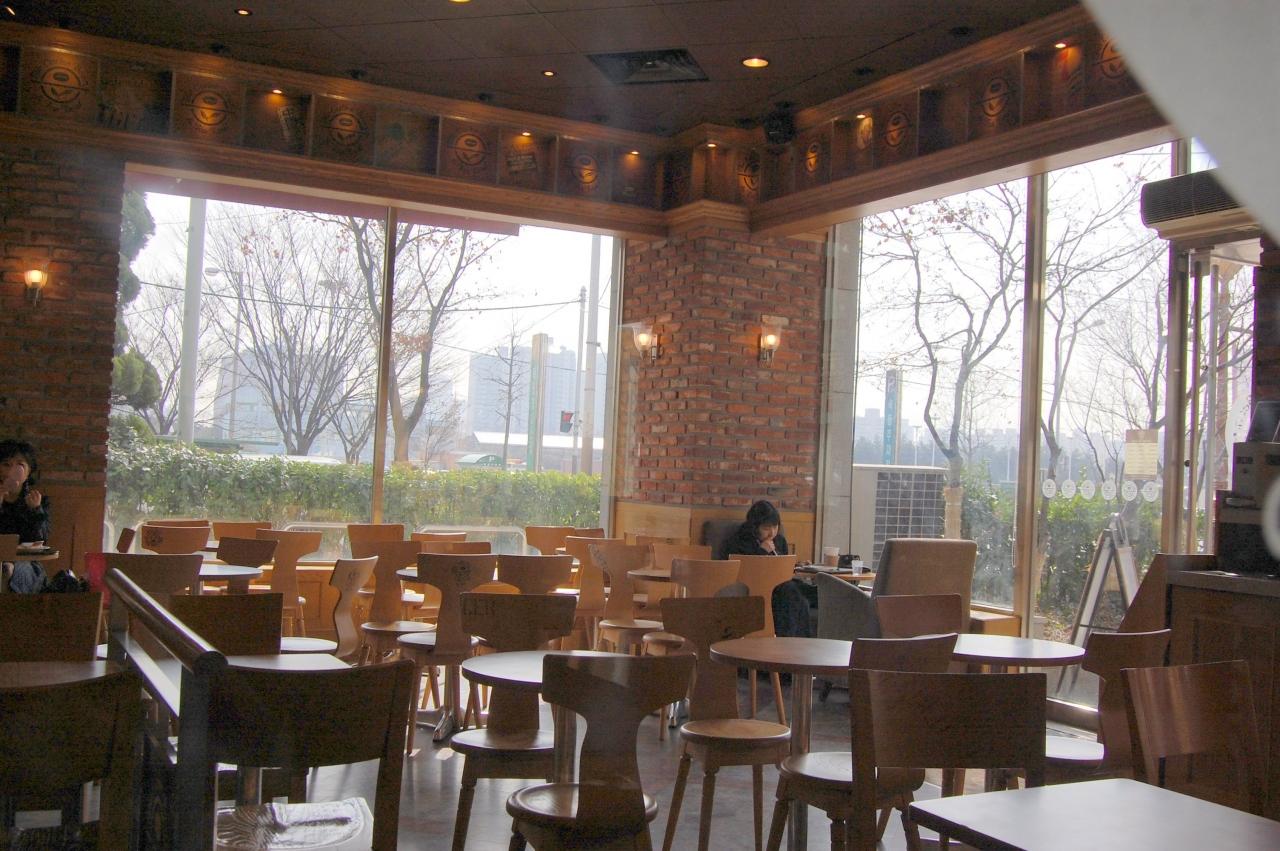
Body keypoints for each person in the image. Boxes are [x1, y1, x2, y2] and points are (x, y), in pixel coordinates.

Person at [721, 499, 814, 637]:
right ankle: (788, 641)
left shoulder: (779, 540)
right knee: (792, 595)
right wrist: (762, 551)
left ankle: (801, 643)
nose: (772, 533)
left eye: (775, 527)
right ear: (754, 527)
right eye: (766, 528)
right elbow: (741, 570)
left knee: (804, 596)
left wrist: (797, 566)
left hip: (780, 584)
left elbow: (783, 566)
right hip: (755, 587)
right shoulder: (738, 541)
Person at [0, 440, 52, 593]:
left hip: (26, 564)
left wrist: (36, 510)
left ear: (29, 471)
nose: (12, 470)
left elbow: (41, 541)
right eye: (6, 464)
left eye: (20, 465)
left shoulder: (38, 501)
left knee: (16, 570)